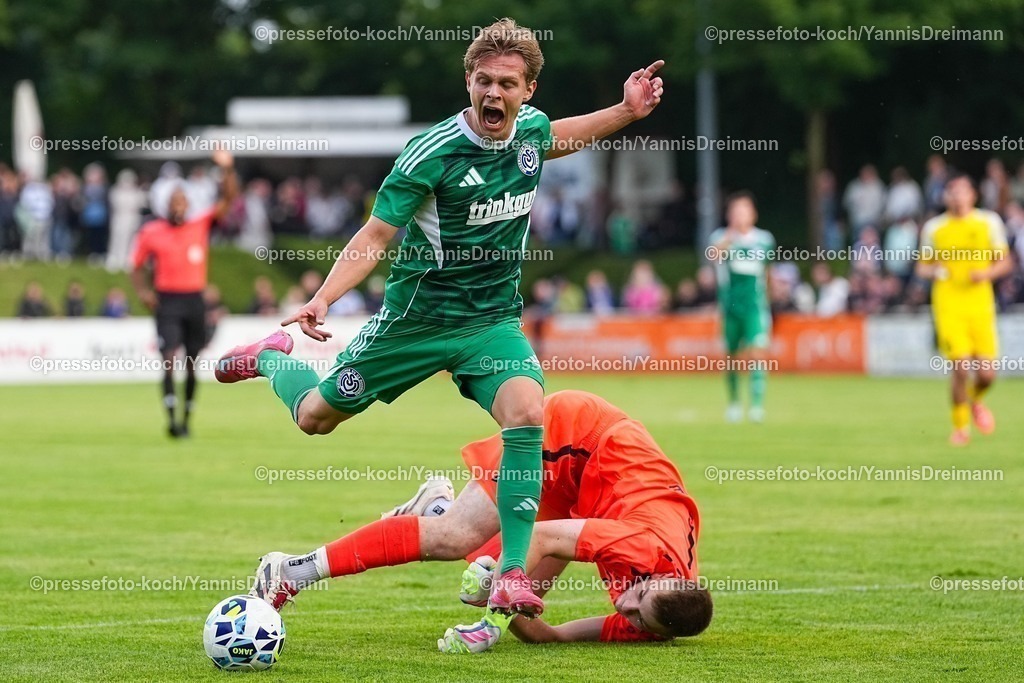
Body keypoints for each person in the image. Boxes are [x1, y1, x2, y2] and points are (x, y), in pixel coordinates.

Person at [214, 18, 666, 619]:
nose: (493, 95)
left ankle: (511, 575)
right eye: (484, 81)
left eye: (507, 84)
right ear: (469, 81)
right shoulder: (431, 152)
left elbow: (560, 135)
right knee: (314, 417)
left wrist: (627, 112)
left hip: (491, 323)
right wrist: (323, 298)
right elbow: (376, 235)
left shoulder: (528, 131)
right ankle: (270, 356)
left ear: (527, 90)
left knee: (529, 412)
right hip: (415, 323)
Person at [245, 391, 710, 652]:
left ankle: (437, 508)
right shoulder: (646, 551)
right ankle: (290, 570)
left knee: (484, 576)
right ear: (663, 577)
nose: (625, 604)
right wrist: (491, 623)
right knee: (461, 545)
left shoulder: (655, 614)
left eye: (635, 615)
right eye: (639, 595)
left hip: (586, 496)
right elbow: (545, 538)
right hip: (579, 438)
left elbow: (546, 635)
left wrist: (518, 617)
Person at [131, 150, 238, 438]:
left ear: (188, 204)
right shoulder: (152, 231)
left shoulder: (199, 225)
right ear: (166, 205)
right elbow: (136, 266)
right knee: (168, 360)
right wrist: (143, 292)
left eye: (182, 201)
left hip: (194, 300)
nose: (179, 205)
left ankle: (187, 417)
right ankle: (170, 419)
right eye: (174, 201)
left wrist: (227, 169)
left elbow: (228, 200)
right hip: (167, 301)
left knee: (192, 363)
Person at [915, 173, 1012, 446]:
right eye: (951, 192)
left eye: (961, 191)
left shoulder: (988, 222)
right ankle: (960, 427)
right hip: (948, 305)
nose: (956, 196)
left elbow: (1005, 262)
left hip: (980, 305)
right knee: (959, 366)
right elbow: (921, 266)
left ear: (973, 195)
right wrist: (935, 270)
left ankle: (975, 400)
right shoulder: (935, 228)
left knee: (987, 374)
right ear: (946, 196)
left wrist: (987, 273)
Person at [708, 191, 775, 423]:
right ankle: (734, 403)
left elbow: (768, 272)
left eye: (744, 210)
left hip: (755, 307)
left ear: (753, 214)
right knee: (732, 357)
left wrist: (770, 300)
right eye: (736, 211)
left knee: (758, 353)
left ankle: (756, 406)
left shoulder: (764, 239)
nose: (740, 215)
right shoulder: (721, 237)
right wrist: (731, 234)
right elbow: (714, 255)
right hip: (730, 308)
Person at [106, 169, 148, 273]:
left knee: (132, 240)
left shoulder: (136, 192)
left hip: (132, 219)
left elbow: (143, 204)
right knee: (117, 239)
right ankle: (115, 259)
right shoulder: (116, 191)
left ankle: (128, 259)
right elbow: (114, 204)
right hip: (119, 218)